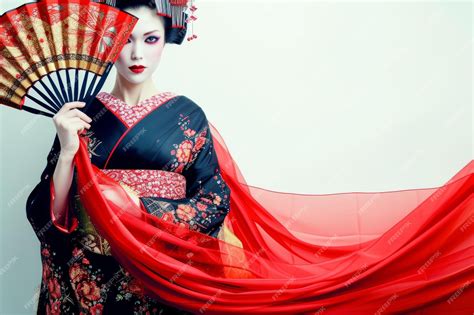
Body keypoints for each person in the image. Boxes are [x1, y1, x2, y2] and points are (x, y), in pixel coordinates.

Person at [26, 0, 227, 313]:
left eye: (150, 39)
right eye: (124, 39)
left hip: (161, 270)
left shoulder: (187, 115)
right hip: (92, 276)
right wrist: (67, 152)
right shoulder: (80, 115)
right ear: (106, 43)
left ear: (166, 39)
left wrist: (140, 209)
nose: (137, 54)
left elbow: (213, 201)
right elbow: (49, 214)